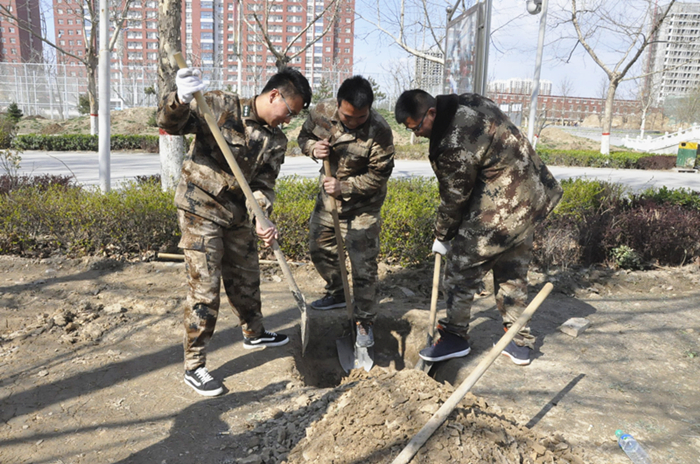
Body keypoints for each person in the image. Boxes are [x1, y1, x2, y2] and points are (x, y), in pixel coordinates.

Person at [158, 67, 312, 396]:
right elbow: (169, 124)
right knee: (206, 286)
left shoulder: (276, 140)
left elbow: (264, 184)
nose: (288, 120)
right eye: (290, 111)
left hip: (238, 213)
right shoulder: (219, 105)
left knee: (247, 275)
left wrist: (261, 213)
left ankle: (254, 333)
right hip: (201, 206)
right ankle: (195, 365)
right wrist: (180, 99)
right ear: (274, 95)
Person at [395, 89, 562, 366]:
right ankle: (518, 342)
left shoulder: (453, 141)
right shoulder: (469, 101)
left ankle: (455, 337)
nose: (418, 135)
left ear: (431, 113)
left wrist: (443, 235)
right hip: (531, 196)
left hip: (504, 202)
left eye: (418, 127)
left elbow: (454, 197)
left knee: (461, 266)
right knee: (512, 269)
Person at [297, 76, 395, 348]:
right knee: (319, 247)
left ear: (369, 111)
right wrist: (312, 149)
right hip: (329, 198)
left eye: (359, 118)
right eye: (347, 116)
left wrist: (346, 186)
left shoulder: (380, 131)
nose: (352, 123)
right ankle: (338, 291)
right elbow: (302, 137)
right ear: (338, 105)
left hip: (363, 205)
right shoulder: (322, 112)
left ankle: (364, 321)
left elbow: (379, 177)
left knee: (364, 266)